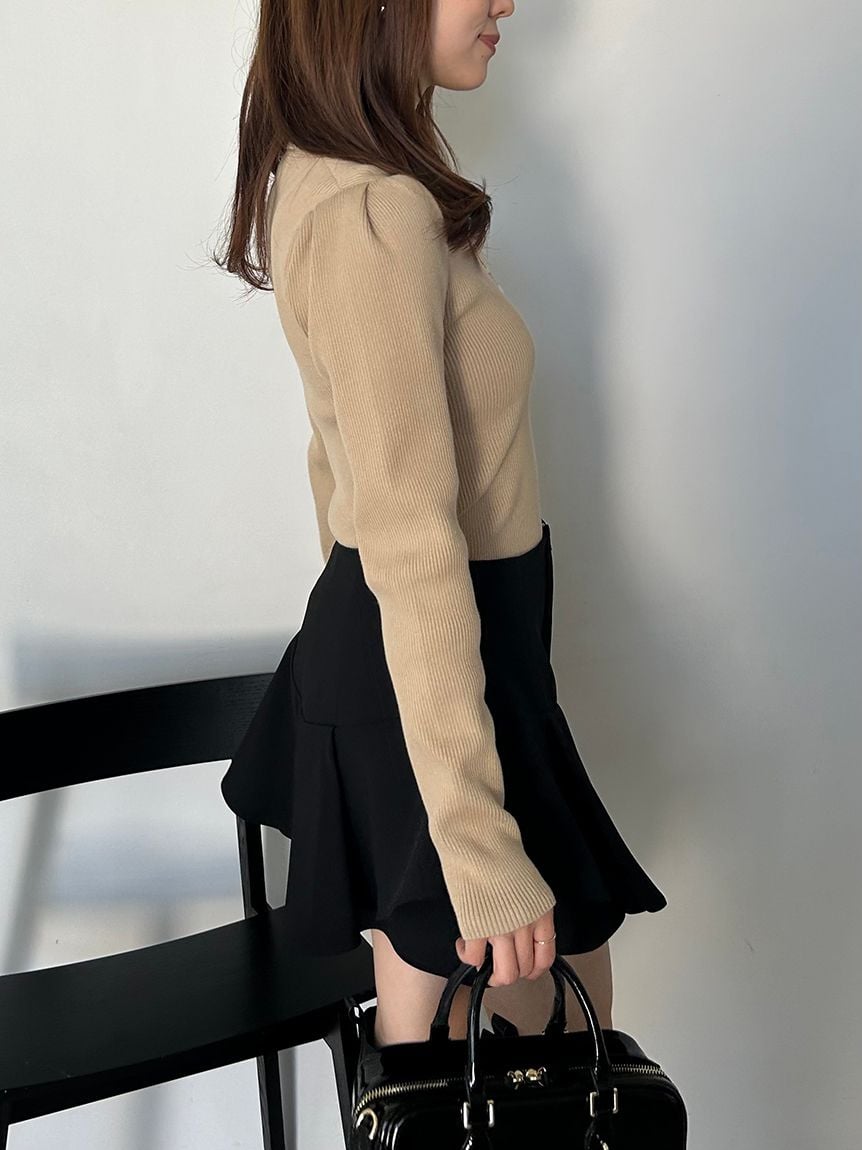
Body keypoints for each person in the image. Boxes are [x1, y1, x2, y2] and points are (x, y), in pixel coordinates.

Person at [213, 0, 667, 1050]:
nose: (504, 1)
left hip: (445, 662)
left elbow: (336, 467)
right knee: (503, 1055)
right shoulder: (371, 214)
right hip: (427, 666)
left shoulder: (346, 186)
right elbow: (405, 532)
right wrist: (469, 834)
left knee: (519, 1049)